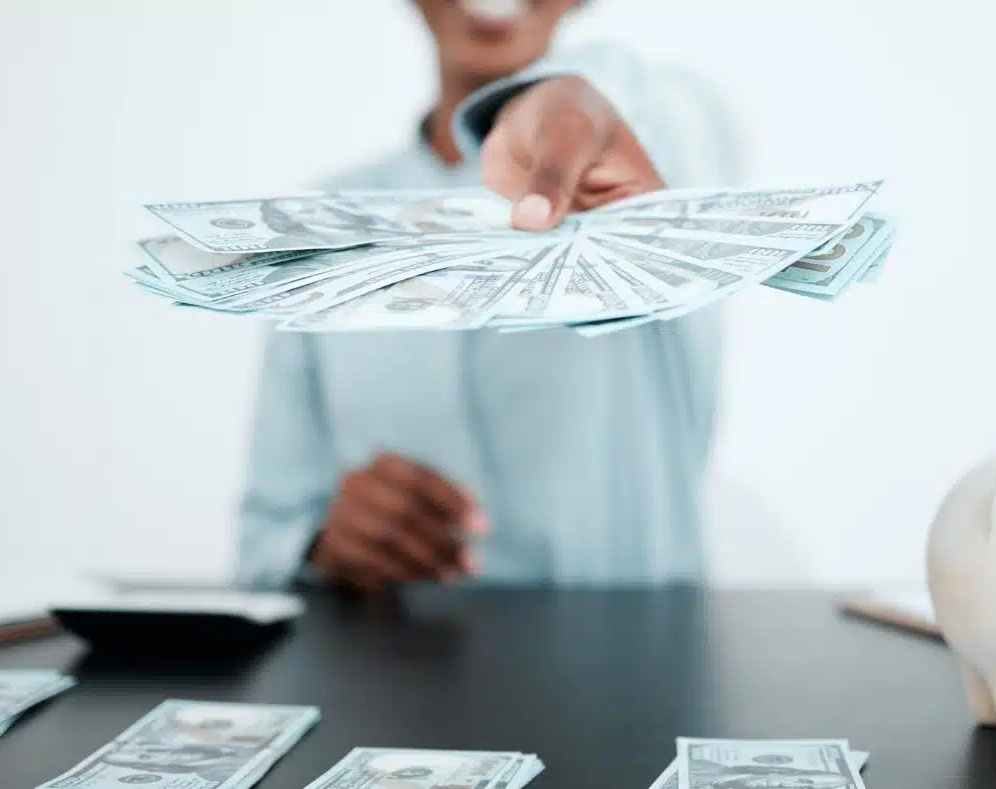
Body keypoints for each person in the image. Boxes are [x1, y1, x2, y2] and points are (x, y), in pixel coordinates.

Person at [234, 0, 740, 593]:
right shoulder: (318, 226)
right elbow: (264, 545)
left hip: (633, 663)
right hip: (395, 666)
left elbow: (678, 113)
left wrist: (573, 98)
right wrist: (325, 544)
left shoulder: (662, 149)